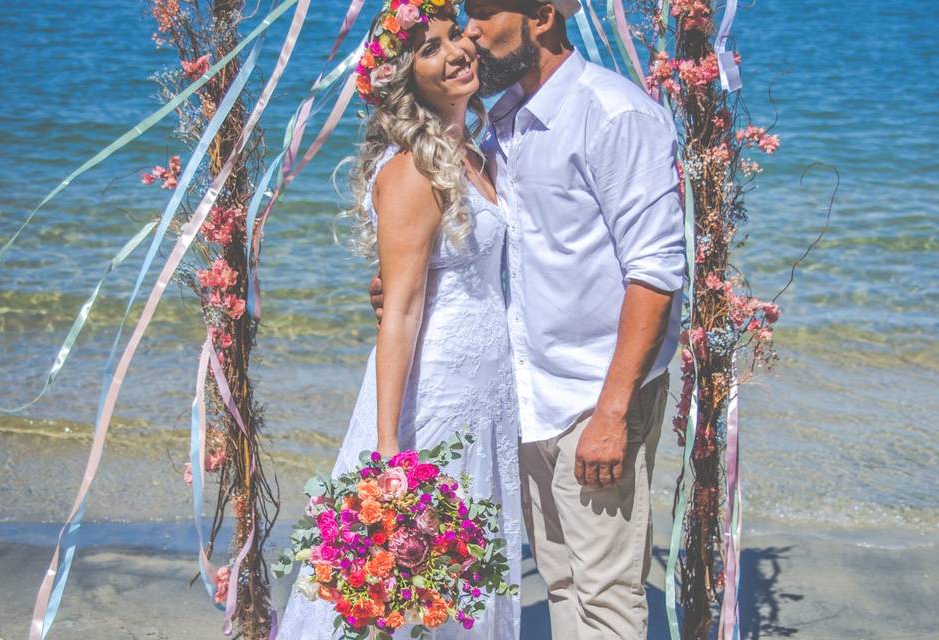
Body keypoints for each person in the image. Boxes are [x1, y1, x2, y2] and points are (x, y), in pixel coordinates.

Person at [371, 1, 685, 638]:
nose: (471, 36)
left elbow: (655, 272)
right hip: (525, 395)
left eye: (484, 15)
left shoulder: (613, 115)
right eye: (465, 18)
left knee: (604, 598)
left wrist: (614, 412)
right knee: (561, 580)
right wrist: (409, 279)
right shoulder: (502, 124)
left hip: (594, 398)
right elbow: (501, 249)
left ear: (541, 17)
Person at [277, 3, 521, 639]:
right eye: (431, 50)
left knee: (460, 572)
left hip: (487, 391)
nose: (456, 53)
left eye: (454, 37)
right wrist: (388, 447)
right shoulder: (414, 168)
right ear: (407, 80)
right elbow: (403, 307)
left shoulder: (474, 150)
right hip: (436, 389)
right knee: (410, 578)